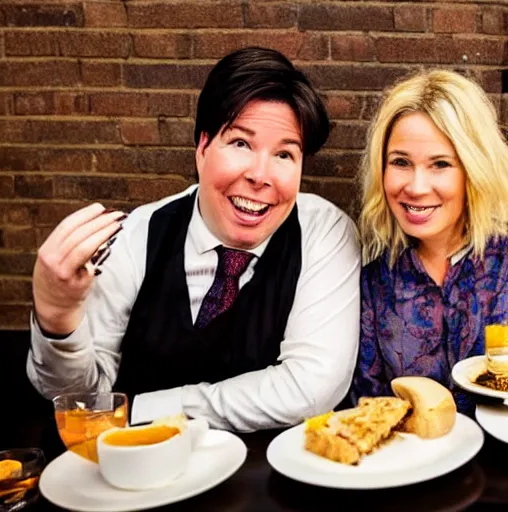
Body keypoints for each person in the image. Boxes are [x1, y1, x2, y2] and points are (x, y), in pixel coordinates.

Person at [27, 47, 361, 432]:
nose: (260, 175)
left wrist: (139, 410)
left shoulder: (324, 232)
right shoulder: (138, 233)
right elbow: (80, 402)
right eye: (241, 143)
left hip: (269, 478)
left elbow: (311, 388)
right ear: (202, 148)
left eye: (285, 155)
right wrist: (57, 318)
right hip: (144, 473)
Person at [352, 69, 508, 415]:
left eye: (440, 164)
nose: (417, 187)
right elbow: (367, 405)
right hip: (410, 465)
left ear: (473, 168)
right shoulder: (373, 282)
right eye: (401, 162)